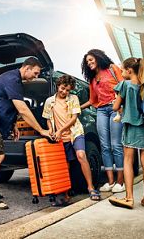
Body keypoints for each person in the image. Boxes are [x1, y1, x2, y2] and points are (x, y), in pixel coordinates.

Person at [0, 57, 52, 210]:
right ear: (27, 68)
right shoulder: (13, 79)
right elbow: (22, 109)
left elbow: (9, 105)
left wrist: (13, 125)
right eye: (35, 73)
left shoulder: (12, 79)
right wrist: (42, 130)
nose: (36, 77)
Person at [43, 75, 100, 205]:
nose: (64, 92)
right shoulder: (49, 101)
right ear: (58, 86)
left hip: (75, 132)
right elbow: (47, 118)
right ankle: (66, 193)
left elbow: (74, 118)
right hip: (60, 137)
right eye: (63, 88)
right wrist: (51, 130)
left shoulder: (73, 98)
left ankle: (91, 188)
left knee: (81, 155)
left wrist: (60, 130)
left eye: (68, 90)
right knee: (65, 165)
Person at [108, 57, 144, 210]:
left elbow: (115, 107)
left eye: (122, 70)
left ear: (129, 71)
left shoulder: (125, 85)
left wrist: (118, 104)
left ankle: (129, 198)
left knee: (128, 161)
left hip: (131, 129)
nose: (121, 72)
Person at [80, 49, 125, 193]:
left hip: (115, 109)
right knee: (105, 146)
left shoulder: (112, 69)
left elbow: (124, 86)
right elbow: (92, 100)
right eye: (87, 62)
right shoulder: (92, 79)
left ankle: (120, 181)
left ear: (98, 58)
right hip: (101, 111)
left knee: (115, 144)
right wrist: (76, 108)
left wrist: (119, 104)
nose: (89, 63)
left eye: (91, 60)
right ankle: (111, 182)